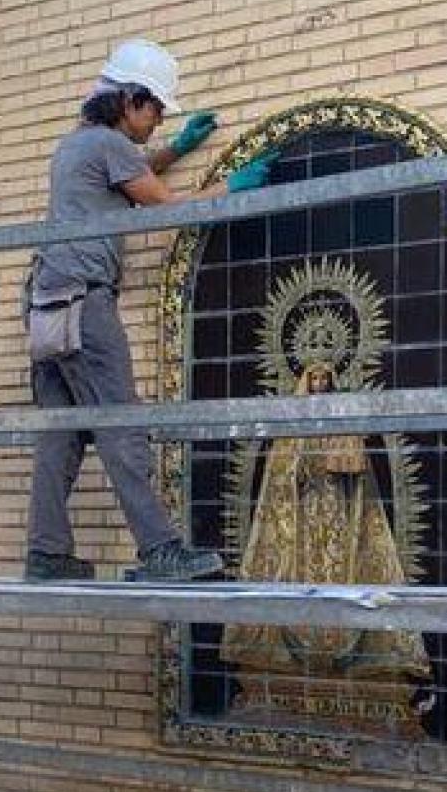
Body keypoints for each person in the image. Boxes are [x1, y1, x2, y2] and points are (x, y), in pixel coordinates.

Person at [24, 38, 277, 582]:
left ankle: (46, 554)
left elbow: (134, 179)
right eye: (156, 110)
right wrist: (231, 186)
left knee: (62, 434)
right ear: (129, 101)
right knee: (123, 424)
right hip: (84, 300)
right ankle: (160, 549)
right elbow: (161, 203)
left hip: (47, 301)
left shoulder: (77, 145)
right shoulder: (107, 145)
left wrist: (180, 149)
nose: (159, 122)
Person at [222, 363, 428, 678]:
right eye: (313, 378)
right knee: (299, 570)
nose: (318, 384)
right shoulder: (293, 423)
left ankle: (340, 643)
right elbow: (280, 472)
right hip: (300, 514)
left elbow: (357, 474)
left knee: (338, 571)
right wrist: (297, 468)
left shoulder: (339, 417)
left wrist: (345, 457)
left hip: (336, 510)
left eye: (324, 378)